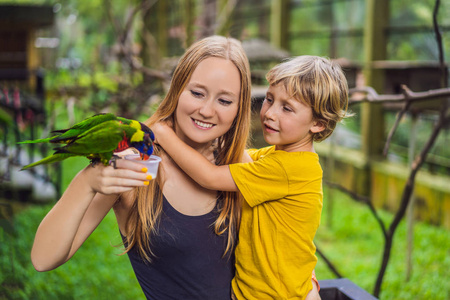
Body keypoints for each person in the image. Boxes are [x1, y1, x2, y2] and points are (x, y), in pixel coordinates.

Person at [30, 36, 320, 299]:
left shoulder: (241, 165)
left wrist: (310, 286)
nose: (207, 110)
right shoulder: (139, 165)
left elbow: (286, 247)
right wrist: (87, 181)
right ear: (177, 90)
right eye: (197, 93)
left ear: (239, 107)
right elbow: (44, 258)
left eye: (224, 100)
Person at [152, 55, 349, 299]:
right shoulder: (280, 158)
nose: (269, 113)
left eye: (286, 108)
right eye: (269, 99)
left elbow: (210, 177)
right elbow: (240, 157)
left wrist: (161, 132)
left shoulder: (288, 169)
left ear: (318, 124)